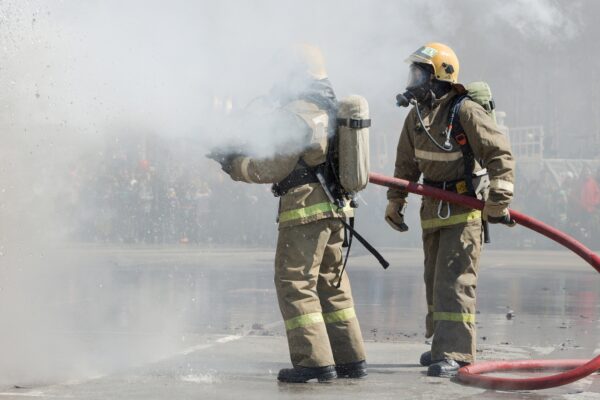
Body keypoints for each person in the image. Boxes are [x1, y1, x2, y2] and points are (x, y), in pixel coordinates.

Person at [212, 44, 367, 382]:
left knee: (295, 282)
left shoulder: (295, 112)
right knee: (332, 284)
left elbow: (273, 166)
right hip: (335, 208)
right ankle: (350, 358)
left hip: (305, 208)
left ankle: (312, 362)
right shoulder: (330, 108)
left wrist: (235, 164)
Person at [385, 42, 515, 377]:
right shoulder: (416, 117)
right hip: (432, 212)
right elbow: (405, 165)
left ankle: (456, 352)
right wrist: (395, 201)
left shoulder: (465, 111)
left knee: (455, 283)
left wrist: (498, 201)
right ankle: (441, 344)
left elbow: (500, 156)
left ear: (440, 74)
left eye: (419, 73)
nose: (412, 80)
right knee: (434, 282)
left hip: (463, 211)